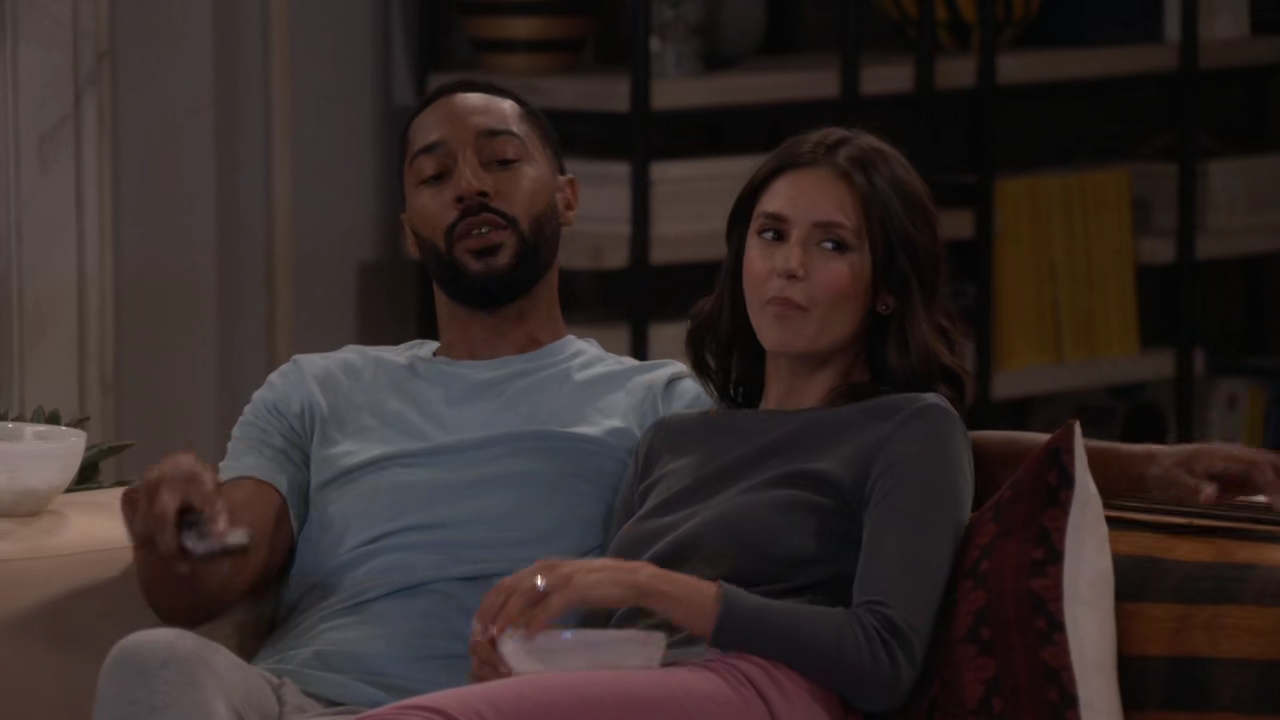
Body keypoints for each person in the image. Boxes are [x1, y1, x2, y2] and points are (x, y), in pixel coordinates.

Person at [93, 80, 1280, 720]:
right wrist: (184, 524)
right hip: (302, 701)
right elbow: (216, 565)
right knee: (154, 663)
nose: (468, 186)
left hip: (514, 703)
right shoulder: (317, 387)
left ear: (564, 195)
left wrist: (1127, 466)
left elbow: (865, 446)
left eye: (499, 159)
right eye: (433, 172)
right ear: (408, 222)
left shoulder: (655, 407)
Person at [361, 125, 973, 720]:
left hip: (762, 685)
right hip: (641, 684)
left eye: (832, 244)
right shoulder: (673, 440)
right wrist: (527, 665)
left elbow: (884, 658)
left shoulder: (911, 428)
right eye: (771, 234)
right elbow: (612, 639)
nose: (790, 264)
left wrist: (649, 586)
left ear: (888, 286)